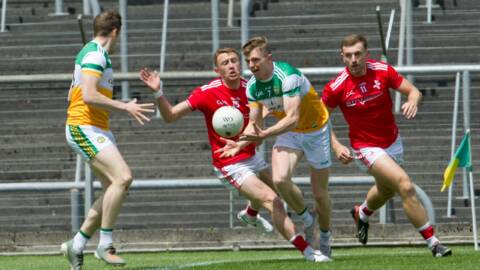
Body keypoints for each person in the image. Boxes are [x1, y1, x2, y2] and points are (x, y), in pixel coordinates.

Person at [140, 47, 330, 262]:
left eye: (234, 61)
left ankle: (251, 214)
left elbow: (261, 118)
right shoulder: (207, 92)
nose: (231, 65)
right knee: (273, 201)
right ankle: (308, 252)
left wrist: (263, 118)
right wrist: (158, 92)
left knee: (283, 186)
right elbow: (171, 116)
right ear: (217, 70)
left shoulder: (252, 87)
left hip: (251, 155)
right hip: (229, 163)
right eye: (225, 63)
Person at [321, 33, 452, 257]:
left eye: (358, 54)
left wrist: (412, 100)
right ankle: (434, 242)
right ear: (342, 57)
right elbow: (319, 119)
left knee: (386, 190)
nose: (354, 59)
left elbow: (414, 91)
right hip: (364, 147)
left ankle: (362, 213)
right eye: (349, 55)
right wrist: (335, 145)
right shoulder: (336, 87)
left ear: (366, 54)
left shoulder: (382, 70)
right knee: (404, 185)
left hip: (392, 141)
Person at [61, 10, 155, 270]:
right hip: (84, 127)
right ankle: (105, 244)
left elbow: (76, 91)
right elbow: (89, 95)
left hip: (97, 127)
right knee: (123, 177)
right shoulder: (95, 55)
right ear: (116, 31)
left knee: (114, 187)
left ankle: (77, 245)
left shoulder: (92, 53)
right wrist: (125, 107)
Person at [240, 36, 333, 258]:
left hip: (315, 130)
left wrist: (265, 133)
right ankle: (307, 219)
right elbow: (256, 124)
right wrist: (239, 142)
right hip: (290, 134)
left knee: (320, 194)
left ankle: (326, 235)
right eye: (248, 61)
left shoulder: (287, 76)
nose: (252, 65)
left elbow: (292, 118)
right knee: (280, 179)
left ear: (268, 58)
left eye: (256, 60)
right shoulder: (252, 87)